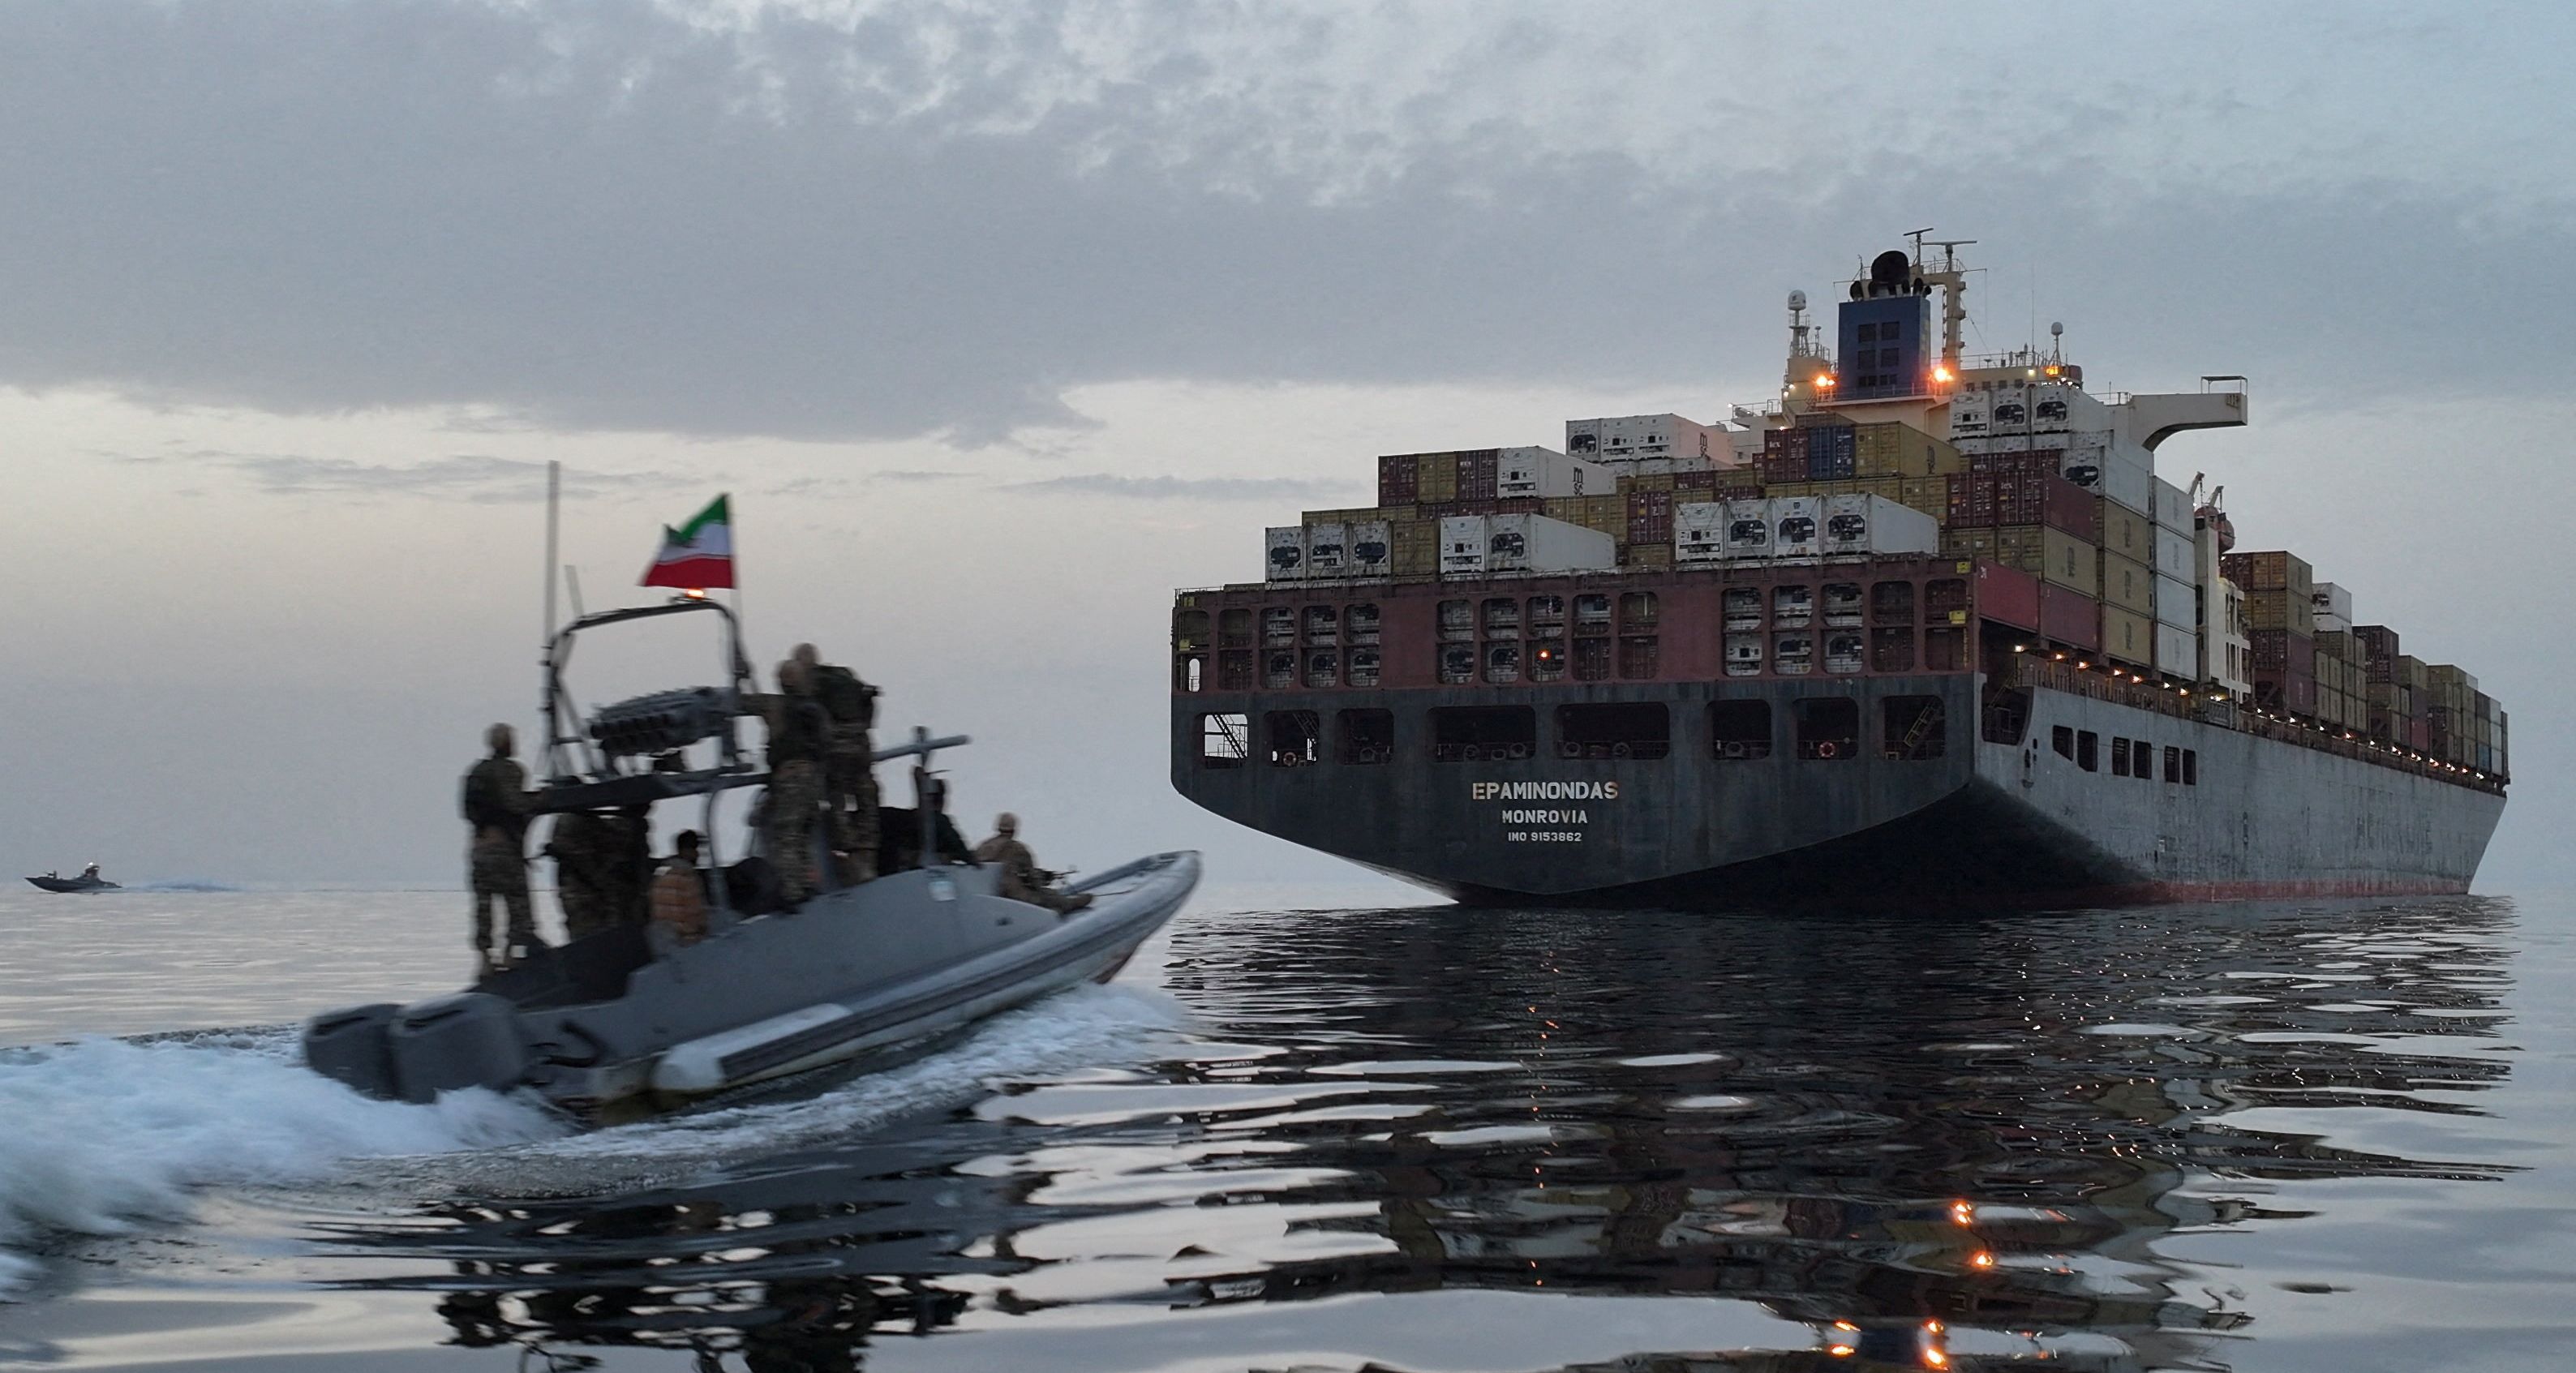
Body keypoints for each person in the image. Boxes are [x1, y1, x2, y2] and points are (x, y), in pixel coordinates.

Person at [796, 642, 882, 886]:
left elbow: (806, 720)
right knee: (866, 795)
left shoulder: (810, 683)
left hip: (835, 748)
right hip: (861, 743)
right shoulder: (843, 675)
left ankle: (849, 854)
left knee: (837, 800)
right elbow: (867, 703)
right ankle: (868, 854)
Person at [461, 723, 542, 973]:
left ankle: (485, 958)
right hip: (504, 848)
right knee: (517, 901)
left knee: (483, 905)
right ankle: (510, 953)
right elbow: (516, 804)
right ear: (506, 743)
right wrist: (542, 799)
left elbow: (467, 811)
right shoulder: (510, 770)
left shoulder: (476, 772)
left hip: (479, 848)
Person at [750, 658, 831, 905]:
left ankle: (792, 892)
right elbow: (826, 740)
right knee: (804, 832)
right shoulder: (814, 709)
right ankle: (808, 884)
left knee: (786, 833)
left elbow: (746, 703)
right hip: (813, 778)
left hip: (791, 778)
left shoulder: (776, 706)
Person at [543, 808, 646, 942]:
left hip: (591, 895)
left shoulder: (611, 828)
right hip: (587, 897)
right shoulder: (577, 824)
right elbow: (584, 863)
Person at [972, 813, 1092, 915]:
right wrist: (1045, 881)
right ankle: (1076, 902)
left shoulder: (982, 847)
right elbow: (1034, 880)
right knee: (1051, 897)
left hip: (992, 900)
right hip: (1015, 897)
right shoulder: (1018, 849)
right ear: (1014, 830)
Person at [647, 830, 712, 949]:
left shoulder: (661, 873)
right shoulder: (687, 876)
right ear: (687, 851)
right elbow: (695, 915)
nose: (699, 855)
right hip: (687, 943)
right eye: (696, 850)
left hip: (662, 941)